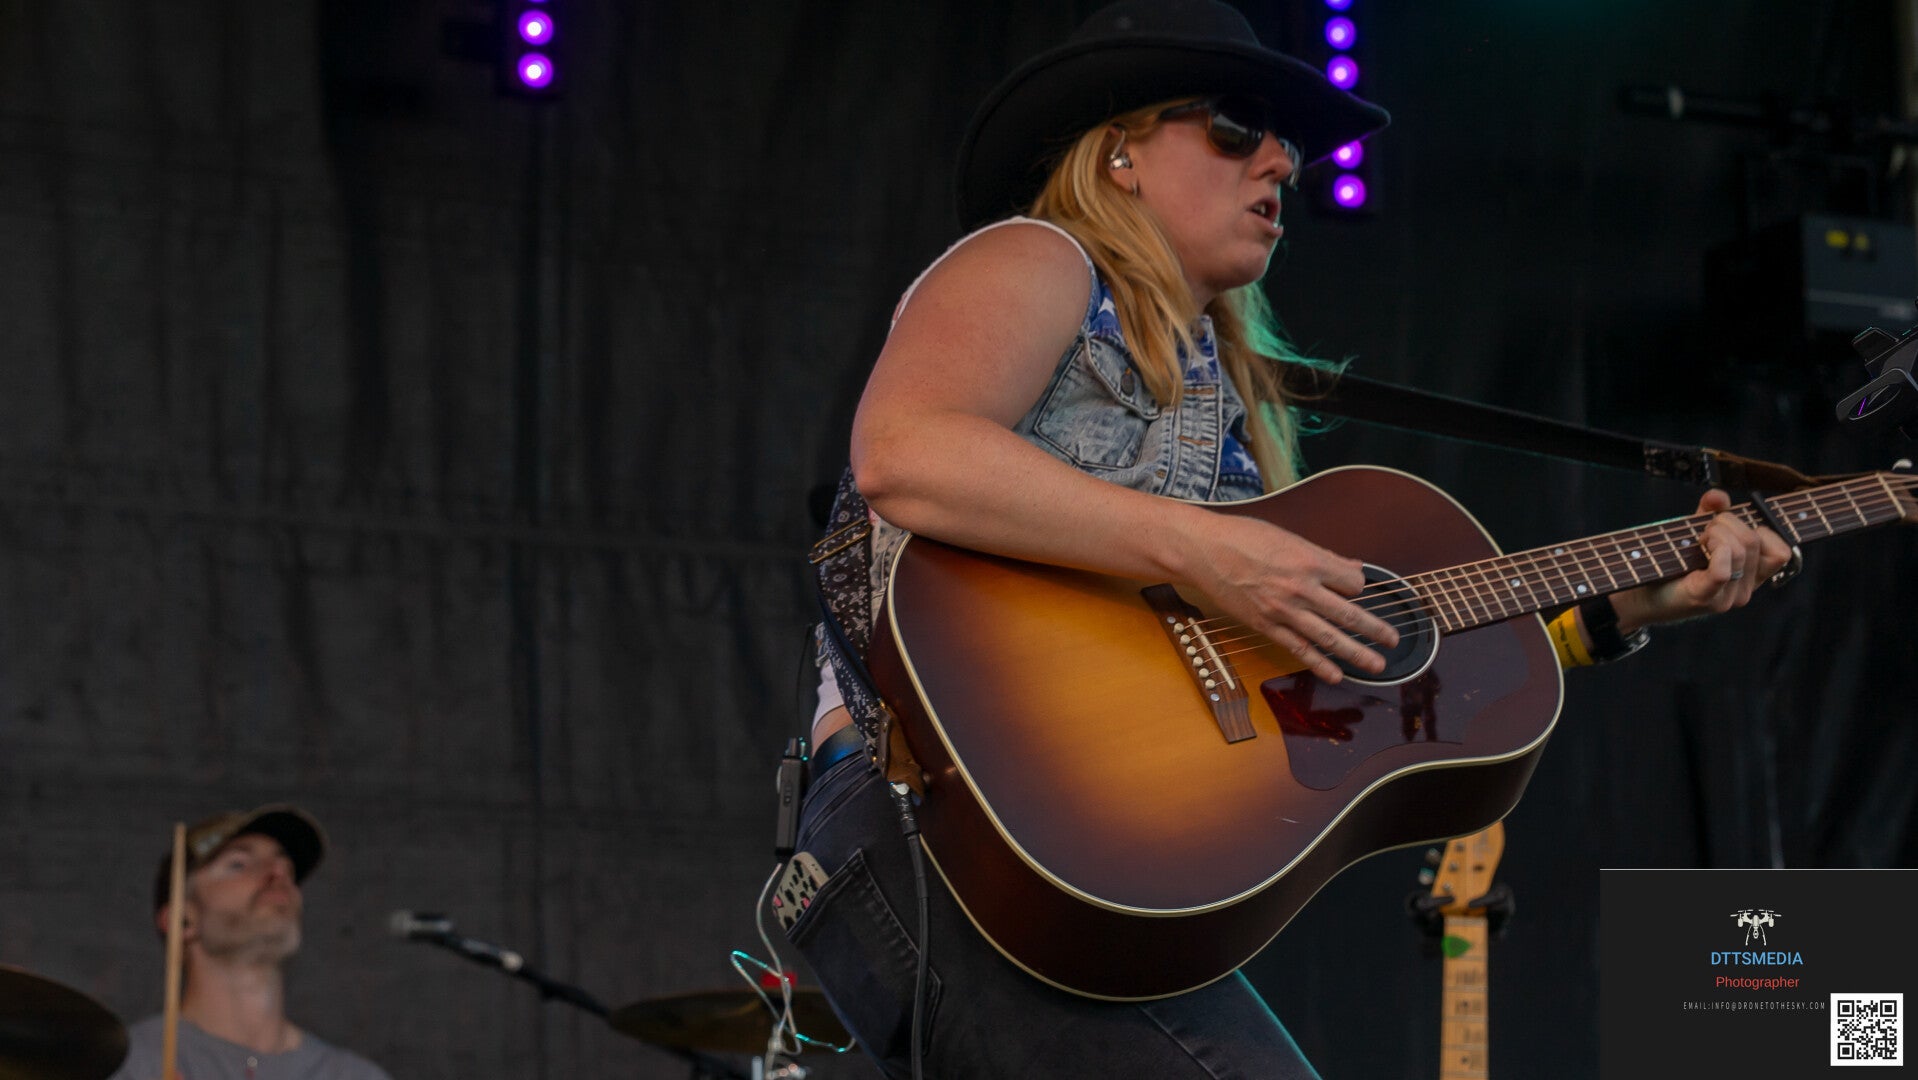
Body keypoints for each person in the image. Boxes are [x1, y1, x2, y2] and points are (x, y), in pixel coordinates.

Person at [791, 1, 1794, 1077]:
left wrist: (1629, 603)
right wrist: (1201, 548)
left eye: (1291, 148)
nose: (1282, 160)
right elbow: (905, 452)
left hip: (1080, 881)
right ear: (1119, 150)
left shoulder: (1222, 395)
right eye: (1237, 128)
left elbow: (1340, 670)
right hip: (933, 822)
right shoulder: (1040, 259)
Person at [109, 804, 393, 1080]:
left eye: (288, 869)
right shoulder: (126, 1067)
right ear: (181, 920)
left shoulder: (355, 1076)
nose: (277, 874)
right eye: (239, 864)